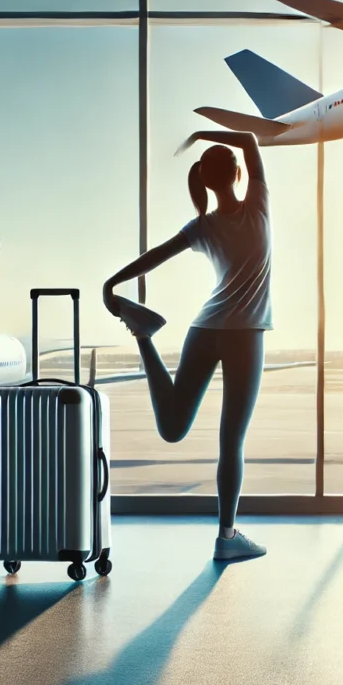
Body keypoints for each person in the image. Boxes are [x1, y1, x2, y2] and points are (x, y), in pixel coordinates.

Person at [103, 130, 271, 561]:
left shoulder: (202, 226)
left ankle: (144, 337)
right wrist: (202, 133)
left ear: (207, 179)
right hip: (245, 335)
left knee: (173, 427)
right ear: (236, 174)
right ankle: (227, 538)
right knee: (230, 442)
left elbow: (156, 255)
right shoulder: (256, 208)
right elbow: (250, 140)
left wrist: (113, 282)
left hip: (205, 327)